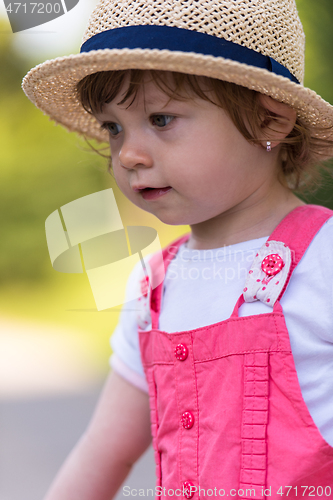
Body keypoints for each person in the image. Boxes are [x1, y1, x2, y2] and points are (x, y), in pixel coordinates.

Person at [22, 0, 333, 498]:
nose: (128, 154)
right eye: (113, 127)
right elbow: (104, 450)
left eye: (161, 119)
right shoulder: (152, 289)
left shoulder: (323, 259)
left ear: (270, 120)